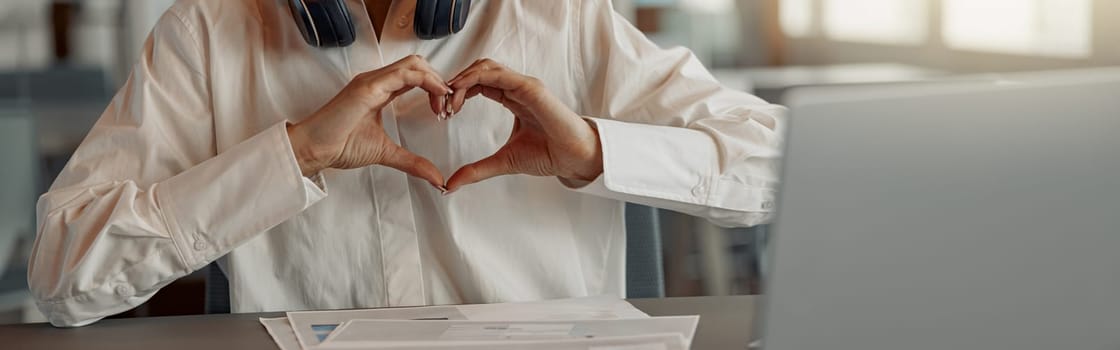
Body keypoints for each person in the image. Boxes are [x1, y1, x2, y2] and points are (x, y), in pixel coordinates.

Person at [29, 0, 785, 327]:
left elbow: (782, 169)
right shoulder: (206, 32)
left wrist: (594, 152)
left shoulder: (563, 18)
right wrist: (293, 155)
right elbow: (63, 277)